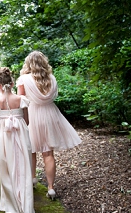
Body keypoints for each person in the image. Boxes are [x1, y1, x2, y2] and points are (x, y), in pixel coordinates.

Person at [17, 51, 82, 200]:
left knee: (31, 149)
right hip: (50, 114)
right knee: (48, 153)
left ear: (28, 63)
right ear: (43, 62)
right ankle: (51, 188)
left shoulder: (23, 79)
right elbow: (54, 96)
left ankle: (32, 179)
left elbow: (21, 101)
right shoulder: (51, 78)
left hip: (32, 113)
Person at [0, 67, 35, 213]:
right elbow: (27, 121)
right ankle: (25, 207)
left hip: (4, 138)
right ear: (12, 82)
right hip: (21, 137)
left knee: (7, 169)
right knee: (22, 169)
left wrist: (4, 117)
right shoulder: (21, 100)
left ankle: (16, 211)